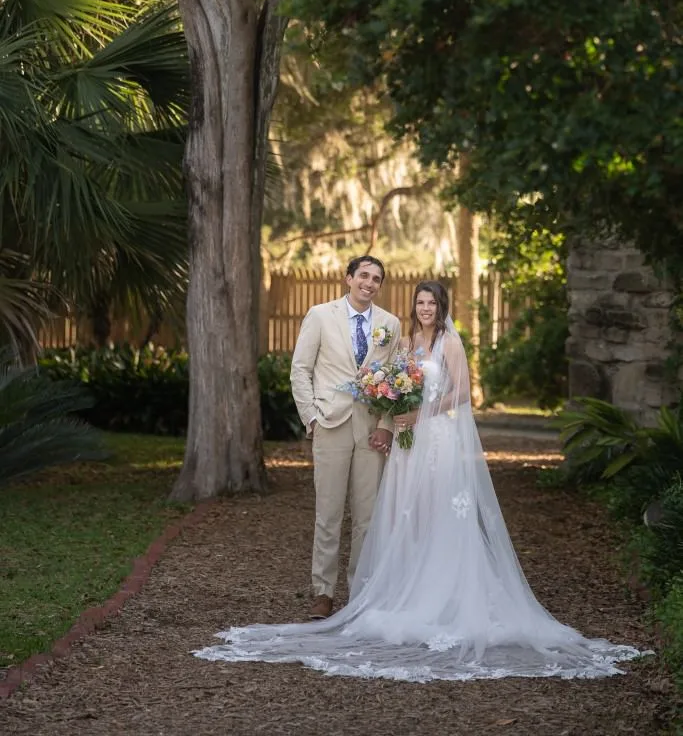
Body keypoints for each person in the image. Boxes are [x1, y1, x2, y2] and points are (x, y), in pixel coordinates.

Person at [194, 281, 649, 681]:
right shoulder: (406, 340)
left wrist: (421, 412)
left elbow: (461, 392)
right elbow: (391, 385)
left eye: (431, 303)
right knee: (402, 514)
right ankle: (393, 589)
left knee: (437, 512)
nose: (426, 309)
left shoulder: (450, 342)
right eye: (420, 302)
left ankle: (445, 594)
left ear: (442, 306)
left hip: (439, 437)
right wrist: (396, 415)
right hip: (407, 439)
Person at [288, 255, 400, 620]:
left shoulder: (390, 325)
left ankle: (361, 591)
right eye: (363, 276)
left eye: (376, 279)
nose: (369, 283)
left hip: (371, 430)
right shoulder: (320, 315)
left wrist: (386, 423)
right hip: (331, 424)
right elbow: (300, 370)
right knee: (329, 513)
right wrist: (312, 418)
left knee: (367, 516)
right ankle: (323, 592)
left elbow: (398, 380)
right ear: (348, 278)